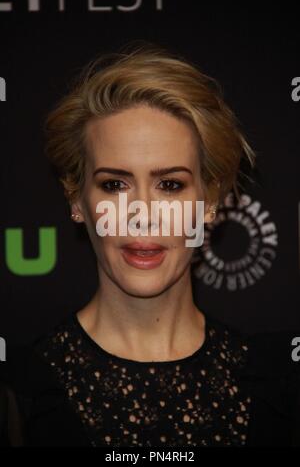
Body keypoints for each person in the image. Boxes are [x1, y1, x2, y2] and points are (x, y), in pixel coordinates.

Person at [0, 41, 299, 447]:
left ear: (209, 201)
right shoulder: (18, 395)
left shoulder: (279, 387)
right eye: (115, 185)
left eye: (170, 185)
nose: (142, 212)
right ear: (76, 199)